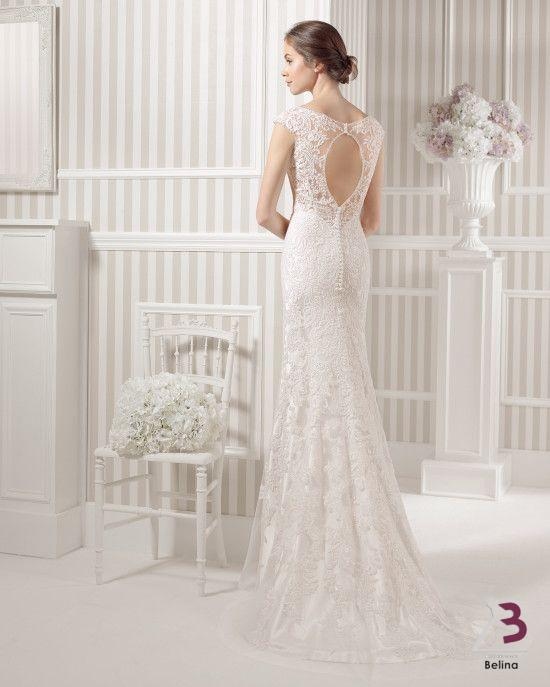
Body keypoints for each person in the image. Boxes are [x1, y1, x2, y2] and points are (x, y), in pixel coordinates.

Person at [220, 20, 494, 666]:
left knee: (312, 393)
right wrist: (331, 232)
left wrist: (302, 236)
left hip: (310, 255)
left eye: (289, 60)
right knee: (348, 389)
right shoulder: (371, 129)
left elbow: (263, 212)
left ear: (317, 64)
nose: (283, 71)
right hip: (351, 261)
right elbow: (371, 219)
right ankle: (360, 544)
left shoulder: (293, 121)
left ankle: (315, 560)